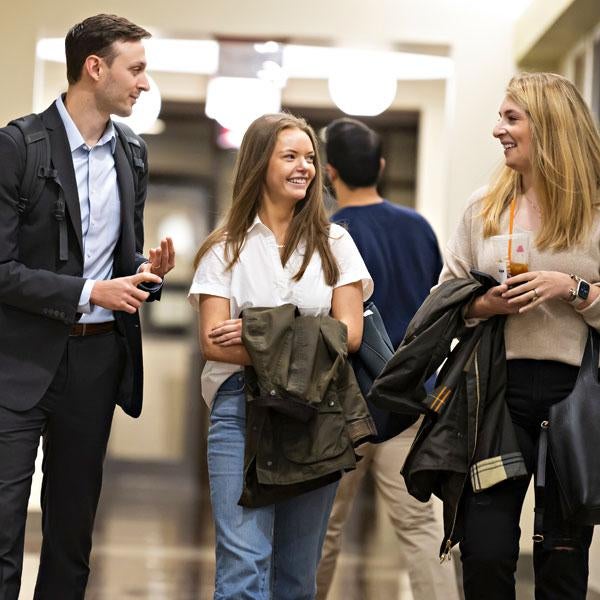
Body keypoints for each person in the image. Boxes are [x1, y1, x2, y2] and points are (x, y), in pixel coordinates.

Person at [0, 14, 175, 600]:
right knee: (2, 535)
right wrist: (87, 292)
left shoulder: (133, 153)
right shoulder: (17, 146)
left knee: (72, 539)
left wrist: (146, 277)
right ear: (94, 68)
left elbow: (121, 266)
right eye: (137, 69)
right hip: (16, 365)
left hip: (97, 361)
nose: (144, 84)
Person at [188, 112, 373, 600]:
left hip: (316, 414)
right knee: (243, 569)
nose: (305, 167)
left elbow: (350, 336)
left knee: (296, 577)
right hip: (239, 410)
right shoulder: (223, 248)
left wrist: (255, 334)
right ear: (258, 164)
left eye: (310, 158)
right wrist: (311, 338)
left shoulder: (336, 245)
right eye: (290, 156)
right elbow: (212, 341)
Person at [440, 72, 600, 599]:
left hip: (577, 401)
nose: (497, 130)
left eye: (511, 118)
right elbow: (446, 303)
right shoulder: (483, 207)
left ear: (549, 127)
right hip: (496, 400)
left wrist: (572, 288)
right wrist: (486, 303)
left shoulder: (596, 212)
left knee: (562, 561)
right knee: (483, 556)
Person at [316, 117, 459, 600]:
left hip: (343, 408)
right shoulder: (418, 228)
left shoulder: (330, 235)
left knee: (322, 527)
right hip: (408, 403)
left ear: (329, 171)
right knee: (421, 525)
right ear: (380, 165)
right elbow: (441, 307)